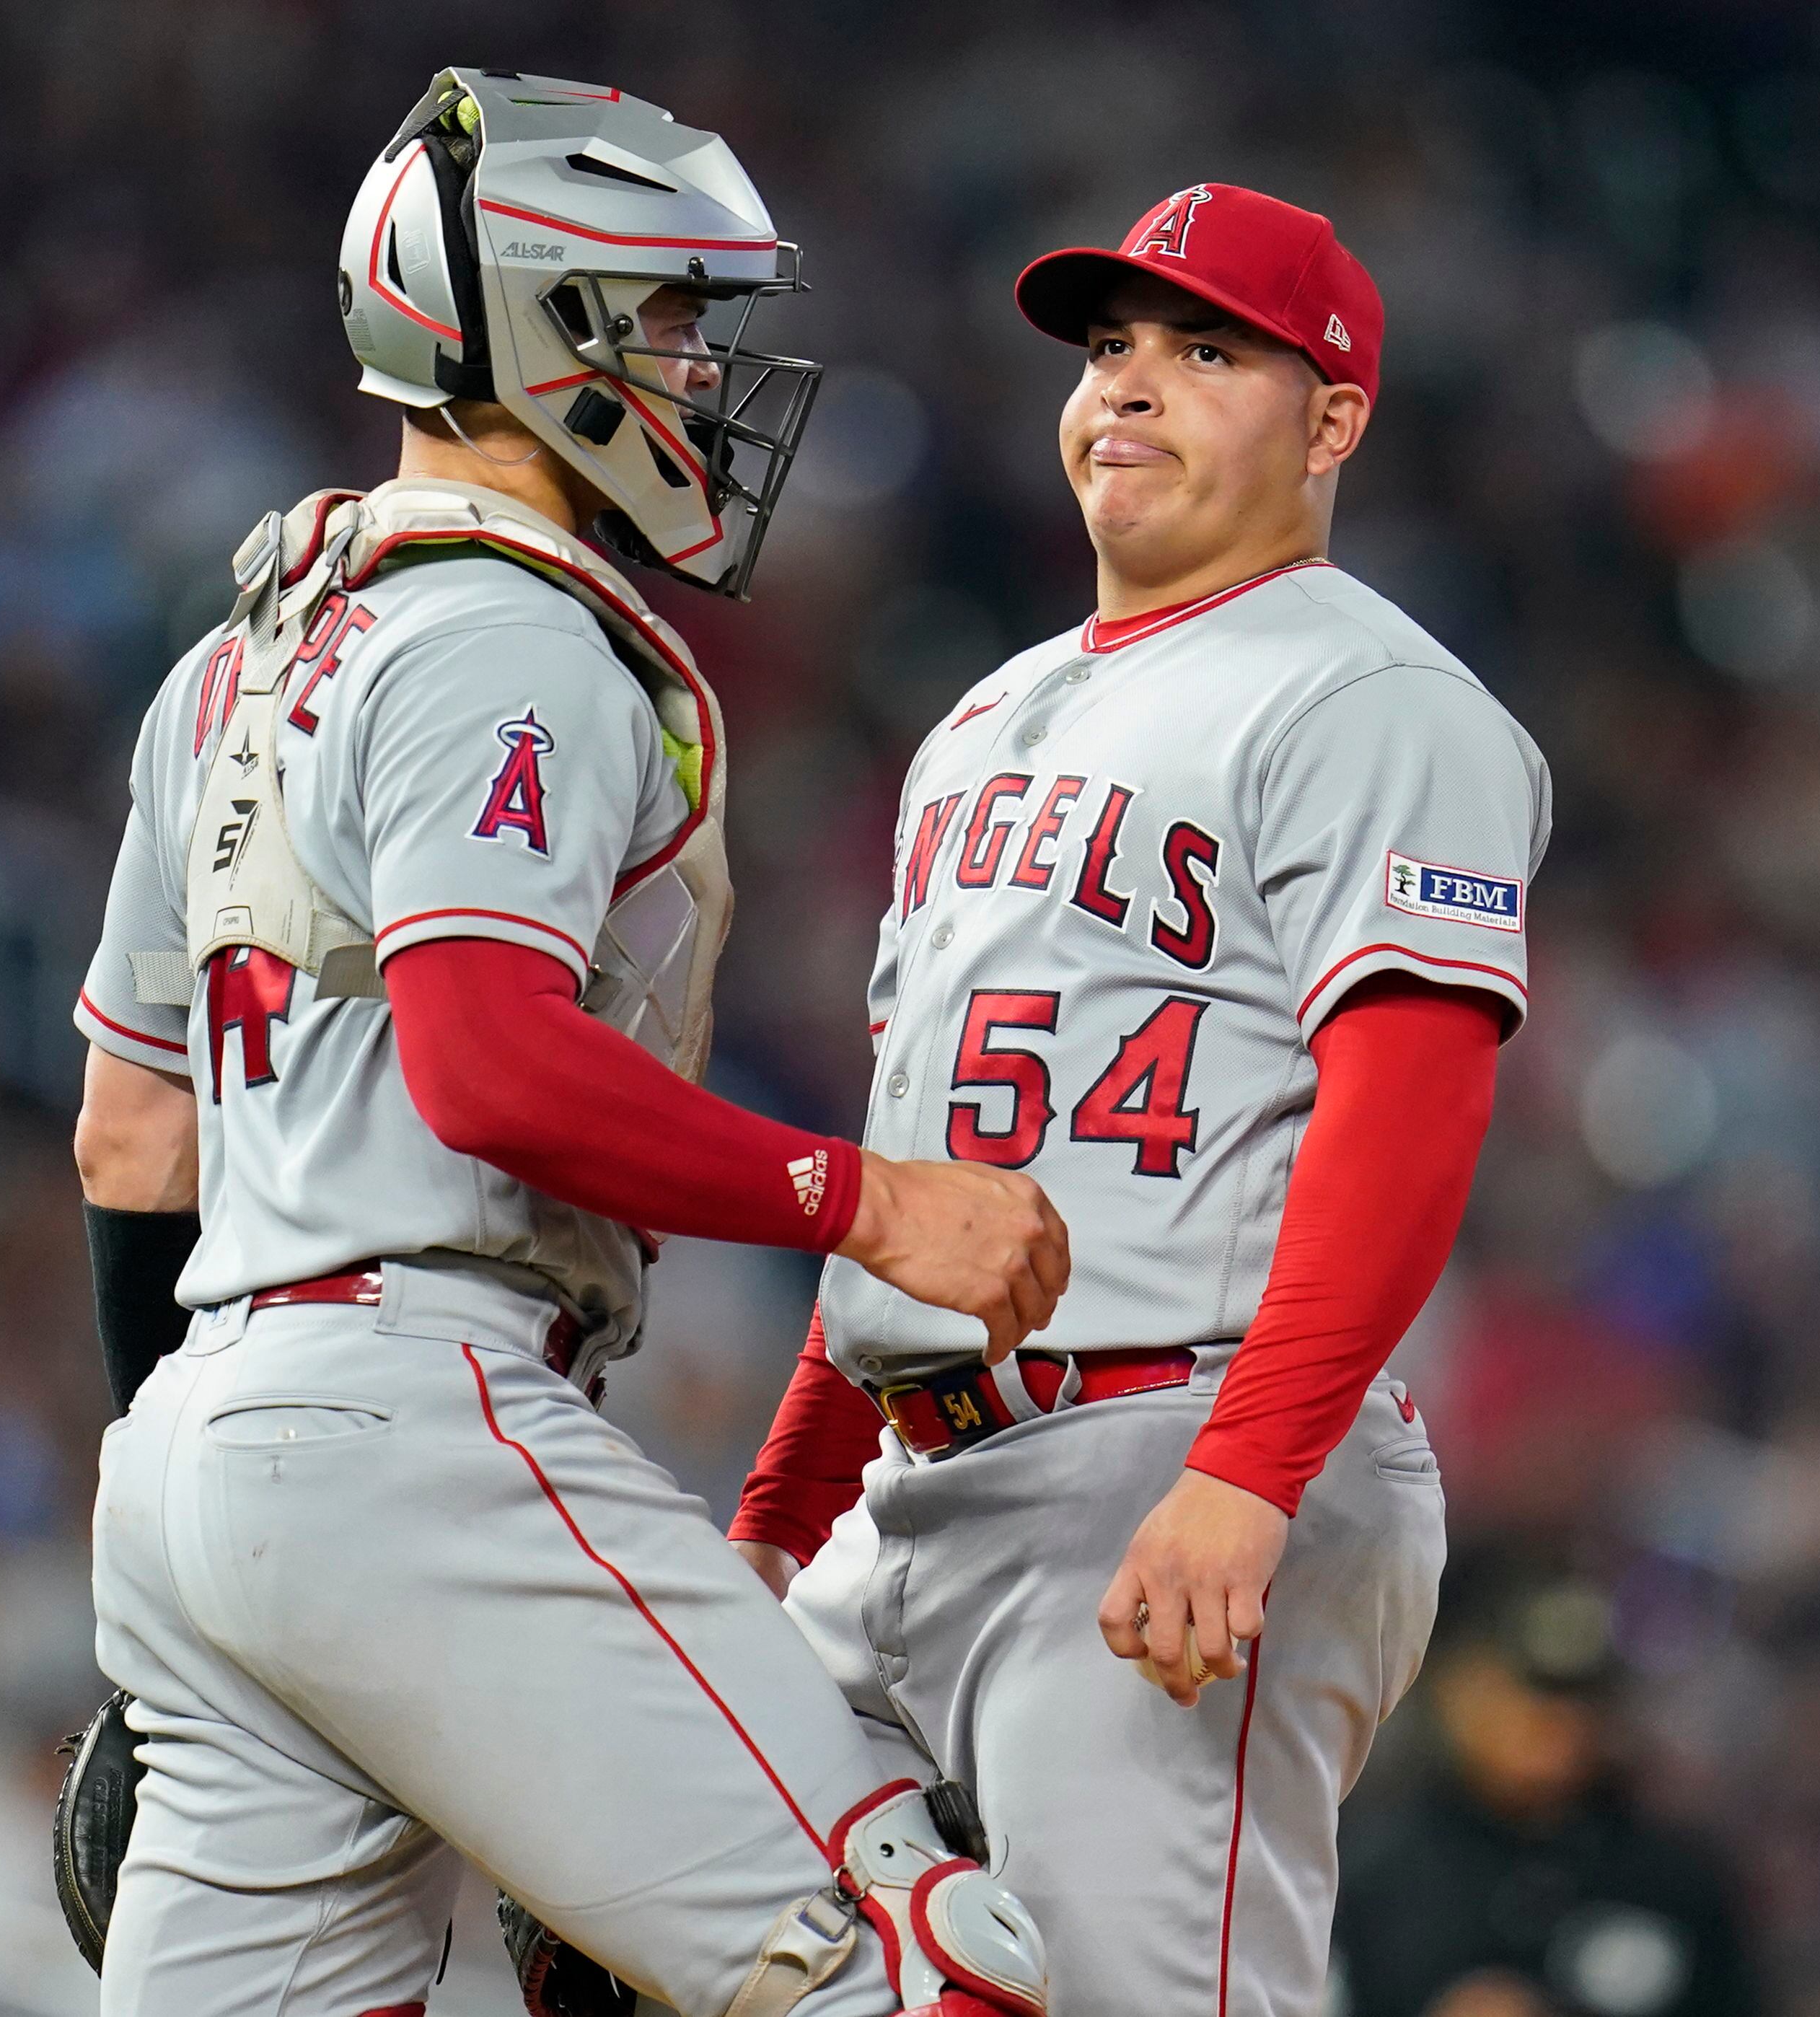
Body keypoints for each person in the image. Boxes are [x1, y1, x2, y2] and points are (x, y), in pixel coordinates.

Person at [63, 69, 1061, 2017]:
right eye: (675, 318)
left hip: (196, 1454)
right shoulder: (511, 637)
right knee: (931, 1964)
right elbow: (491, 1068)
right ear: (543, 326)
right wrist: (864, 1204)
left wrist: (193, 1524)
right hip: (415, 1412)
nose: (706, 370)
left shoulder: (242, 651)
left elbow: (128, 1137)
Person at [723, 182, 1554, 2016]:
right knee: (675, 1918)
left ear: (1333, 417)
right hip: (918, 1484)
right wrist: (784, 1512)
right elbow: (918, 1190)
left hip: (1161, 1448)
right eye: (1110, 347)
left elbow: (1408, 1116)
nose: (1133, 385)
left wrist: (1244, 1474)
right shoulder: (978, 725)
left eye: (1206, 349)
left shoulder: (1377, 699)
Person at [1332, 1560, 1759, 2017]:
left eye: (1579, 1697)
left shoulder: (1675, 1882)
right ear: (1458, 1689)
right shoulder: (1370, 1868)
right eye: (1529, 1691)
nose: (1555, 1723)